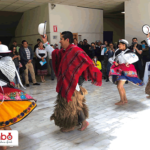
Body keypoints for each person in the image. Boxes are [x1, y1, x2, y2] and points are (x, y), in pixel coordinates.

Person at [41, 31, 102, 132]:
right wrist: (45, 42)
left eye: (61, 39)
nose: (59, 41)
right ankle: (83, 122)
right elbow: (54, 52)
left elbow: (86, 60)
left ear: (67, 39)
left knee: (69, 105)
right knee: (76, 104)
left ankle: (70, 125)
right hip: (66, 82)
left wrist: (93, 72)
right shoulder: (65, 51)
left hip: (73, 83)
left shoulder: (75, 50)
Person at [0, 44, 37, 150]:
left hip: (1, 95)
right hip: (8, 93)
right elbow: (11, 78)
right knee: (6, 122)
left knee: (1, 123)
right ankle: (8, 143)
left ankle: (4, 147)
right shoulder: (9, 63)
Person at [109, 39, 144, 105]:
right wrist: (114, 62)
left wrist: (129, 62)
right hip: (120, 70)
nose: (118, 45)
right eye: (118, 44)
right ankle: (124, 100)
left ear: (124, 45)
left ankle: (122, 101)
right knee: (121, 86)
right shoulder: (117, 51)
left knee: (119, 86)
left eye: (120, 44)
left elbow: (136, 58)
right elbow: (110, 58)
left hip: (127, 70)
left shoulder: (129, 52)